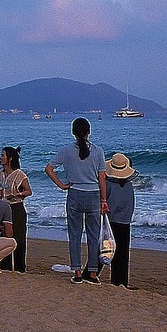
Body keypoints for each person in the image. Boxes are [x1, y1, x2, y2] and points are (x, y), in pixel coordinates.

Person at [45, 117, 107, 284]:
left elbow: (49, 169)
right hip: (93, 194)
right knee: (93, 236)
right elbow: (102, 177)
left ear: (73, 132)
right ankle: (93, 273)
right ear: (89, 132)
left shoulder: (66, 150)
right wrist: (104, 199)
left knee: (75, 235)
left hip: (74, 193)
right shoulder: (98, 151)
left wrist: (61, 185)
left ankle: (78, 272)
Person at [104, 152, 137, 289]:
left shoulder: (108, 185)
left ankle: (93, 273)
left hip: (113, 221)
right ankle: (121, 281)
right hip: (125, 221)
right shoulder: (128, 185)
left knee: (106, 249)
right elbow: (130, 204)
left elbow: (111, 204)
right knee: (123, 253)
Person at [0, 145, 32, 273]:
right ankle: (4, 265)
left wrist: (18, 194)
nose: (0, 158)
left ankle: (19, 267)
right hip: (3, 207)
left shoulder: (19, 174)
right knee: (4, 236)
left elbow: (28, 191)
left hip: (16, 207)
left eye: (3, 155)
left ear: (10, 158)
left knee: (19, 237)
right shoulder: (1, 173)